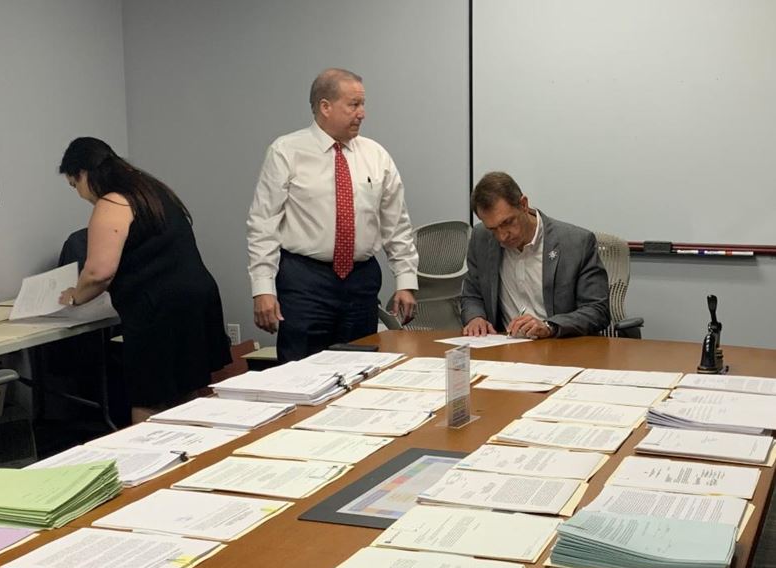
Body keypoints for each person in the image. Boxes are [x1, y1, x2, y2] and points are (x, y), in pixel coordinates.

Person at [247, 68, 419, 362]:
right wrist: (262, 288)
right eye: (353, 104)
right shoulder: (286, 151)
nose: (362, 113)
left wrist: (405, 281)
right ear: (325, 107)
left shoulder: (376, 156)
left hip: (360, 281)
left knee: (359, 368)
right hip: (304, 281)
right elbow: (263, 224)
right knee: (301, 371)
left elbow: (397, 224)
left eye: (363, 104)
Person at [57, 137, 231, 425]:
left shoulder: (112, 201)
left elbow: (99, 271)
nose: (79, 194)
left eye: (74, 185)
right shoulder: (150, 189)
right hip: (196, 299)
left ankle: (149, 464)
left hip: (158, 310)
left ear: (83, 173)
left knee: (149, 402)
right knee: (188, 394)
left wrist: (75, 296)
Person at [461, 171, 610, 338]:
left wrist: (550, 326)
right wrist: (475, 317)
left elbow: (597, 310)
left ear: (523, 205)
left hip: (558, 347)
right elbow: (472, 294)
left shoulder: (577, 243)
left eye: (507, 222)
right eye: (493, 229)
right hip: (503, 350)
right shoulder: (481, 237)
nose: (502, 236)